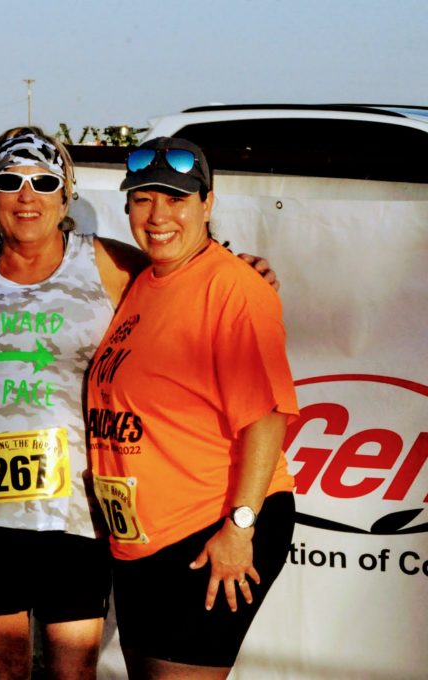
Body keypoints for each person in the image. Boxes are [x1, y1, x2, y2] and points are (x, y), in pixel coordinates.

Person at [0, 128, 279, 680]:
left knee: (72, 670)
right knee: (1, 667)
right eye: (9, 181)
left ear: (65, 194)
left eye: (44, 182)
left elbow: (186, 275)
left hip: (73, 509)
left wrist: (239, 266)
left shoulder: (107, 262)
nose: (27, 196)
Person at [86, 136, 297, 679]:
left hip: (211, 529)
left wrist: (240, 526)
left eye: (177, 199)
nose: (158, 215)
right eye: (143, 199)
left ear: (207, 203)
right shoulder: (145, 281)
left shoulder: (234, 289)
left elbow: (265, 417)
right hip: (140, 536)